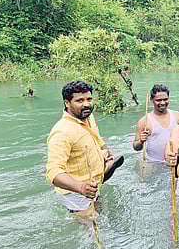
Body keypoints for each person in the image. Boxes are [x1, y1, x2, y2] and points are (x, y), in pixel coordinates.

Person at [46, 80, 123, 215]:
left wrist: (108, 154)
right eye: (80, 100)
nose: (86, 104)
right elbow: (53, 172)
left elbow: (97, 138)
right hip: (75, 193)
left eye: (89, 99)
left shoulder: (88, 117)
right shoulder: (62, 131)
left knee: (100, 212)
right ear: (67, 103)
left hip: (93, 183)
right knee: (91, 228)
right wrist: (81, 188)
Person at [133, 84, 179, 162]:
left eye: (165, 99)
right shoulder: (144, 121)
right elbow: (136, 147)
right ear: (151, 100)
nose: (163, 103)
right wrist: (141, 141)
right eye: (158, 100)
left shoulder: (178, 117)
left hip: (174, 161)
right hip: (153, 162)